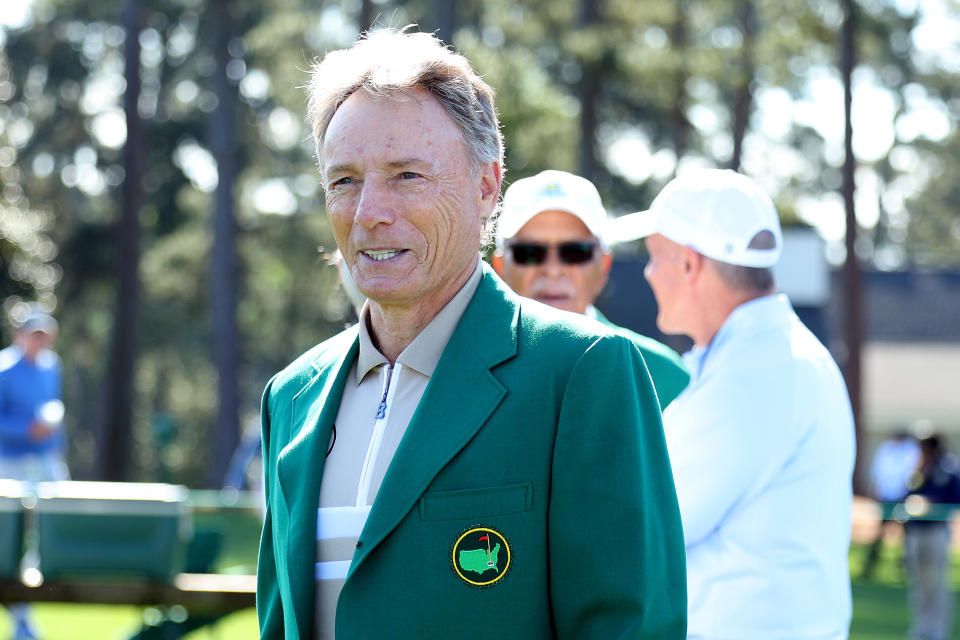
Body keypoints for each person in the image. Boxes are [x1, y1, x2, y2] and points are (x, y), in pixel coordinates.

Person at [257, 28, 686, 640]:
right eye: (344, 180)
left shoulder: (583, 372)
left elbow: (629, 626)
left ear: (487, 186)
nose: (368, 211)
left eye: (406, 175)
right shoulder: (292, 396)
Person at [615, 168, 855, 639]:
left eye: (654, 257)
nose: (647, 273)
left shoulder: (754, 375)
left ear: (689, 265)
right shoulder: (776, 358)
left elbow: (641, 525)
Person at [491, 169, 689, 408]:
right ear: (500, 267)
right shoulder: (461, 368)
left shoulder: (662, 375)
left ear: (603, 267)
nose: (553, 270)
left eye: (575, 252)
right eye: (530, 253)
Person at [0, 309, 68, 640]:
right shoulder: (3, 369)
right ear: (19, 334)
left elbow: (53, 414)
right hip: (9, 465)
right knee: (8, 542)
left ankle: (28, 610)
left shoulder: (52, 366)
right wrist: (28, 430)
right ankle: (21, 618)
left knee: (54, 527)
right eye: (33, 334)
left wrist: (53, 439)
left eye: (44, 334)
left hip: (45, 461)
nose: (39, 340)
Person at [902, 433, 960, 640]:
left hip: (936, 531)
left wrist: (930, 503)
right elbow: (905, 494)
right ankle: (921, 629)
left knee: (935, 584)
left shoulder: (947, 469)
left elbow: (954, 498)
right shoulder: (918, 469)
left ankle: (937, 631)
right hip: (916, 531)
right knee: (919, 584)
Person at [860, 429, 920, 579]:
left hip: (902, 497)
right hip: (886, 497)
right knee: (879, 532)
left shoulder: (910, 451)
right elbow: (879, 472)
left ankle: (904, 566)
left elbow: (909, 474)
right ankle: (871, 564)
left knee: (906, 534)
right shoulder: (886, 449)